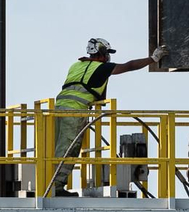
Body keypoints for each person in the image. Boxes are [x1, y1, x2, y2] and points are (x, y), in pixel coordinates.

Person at [47, 37, 166, 196]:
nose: (109, 56)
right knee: (69, 149)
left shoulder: (75, 65)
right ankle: (57, 188)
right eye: (108, 53)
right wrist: (153, 58)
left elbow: (93, 92)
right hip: (75, 111)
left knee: (54, 148)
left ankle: (47, 183)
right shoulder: (103, 68)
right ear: (102, 53)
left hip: (58, 109)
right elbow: (129, 66)